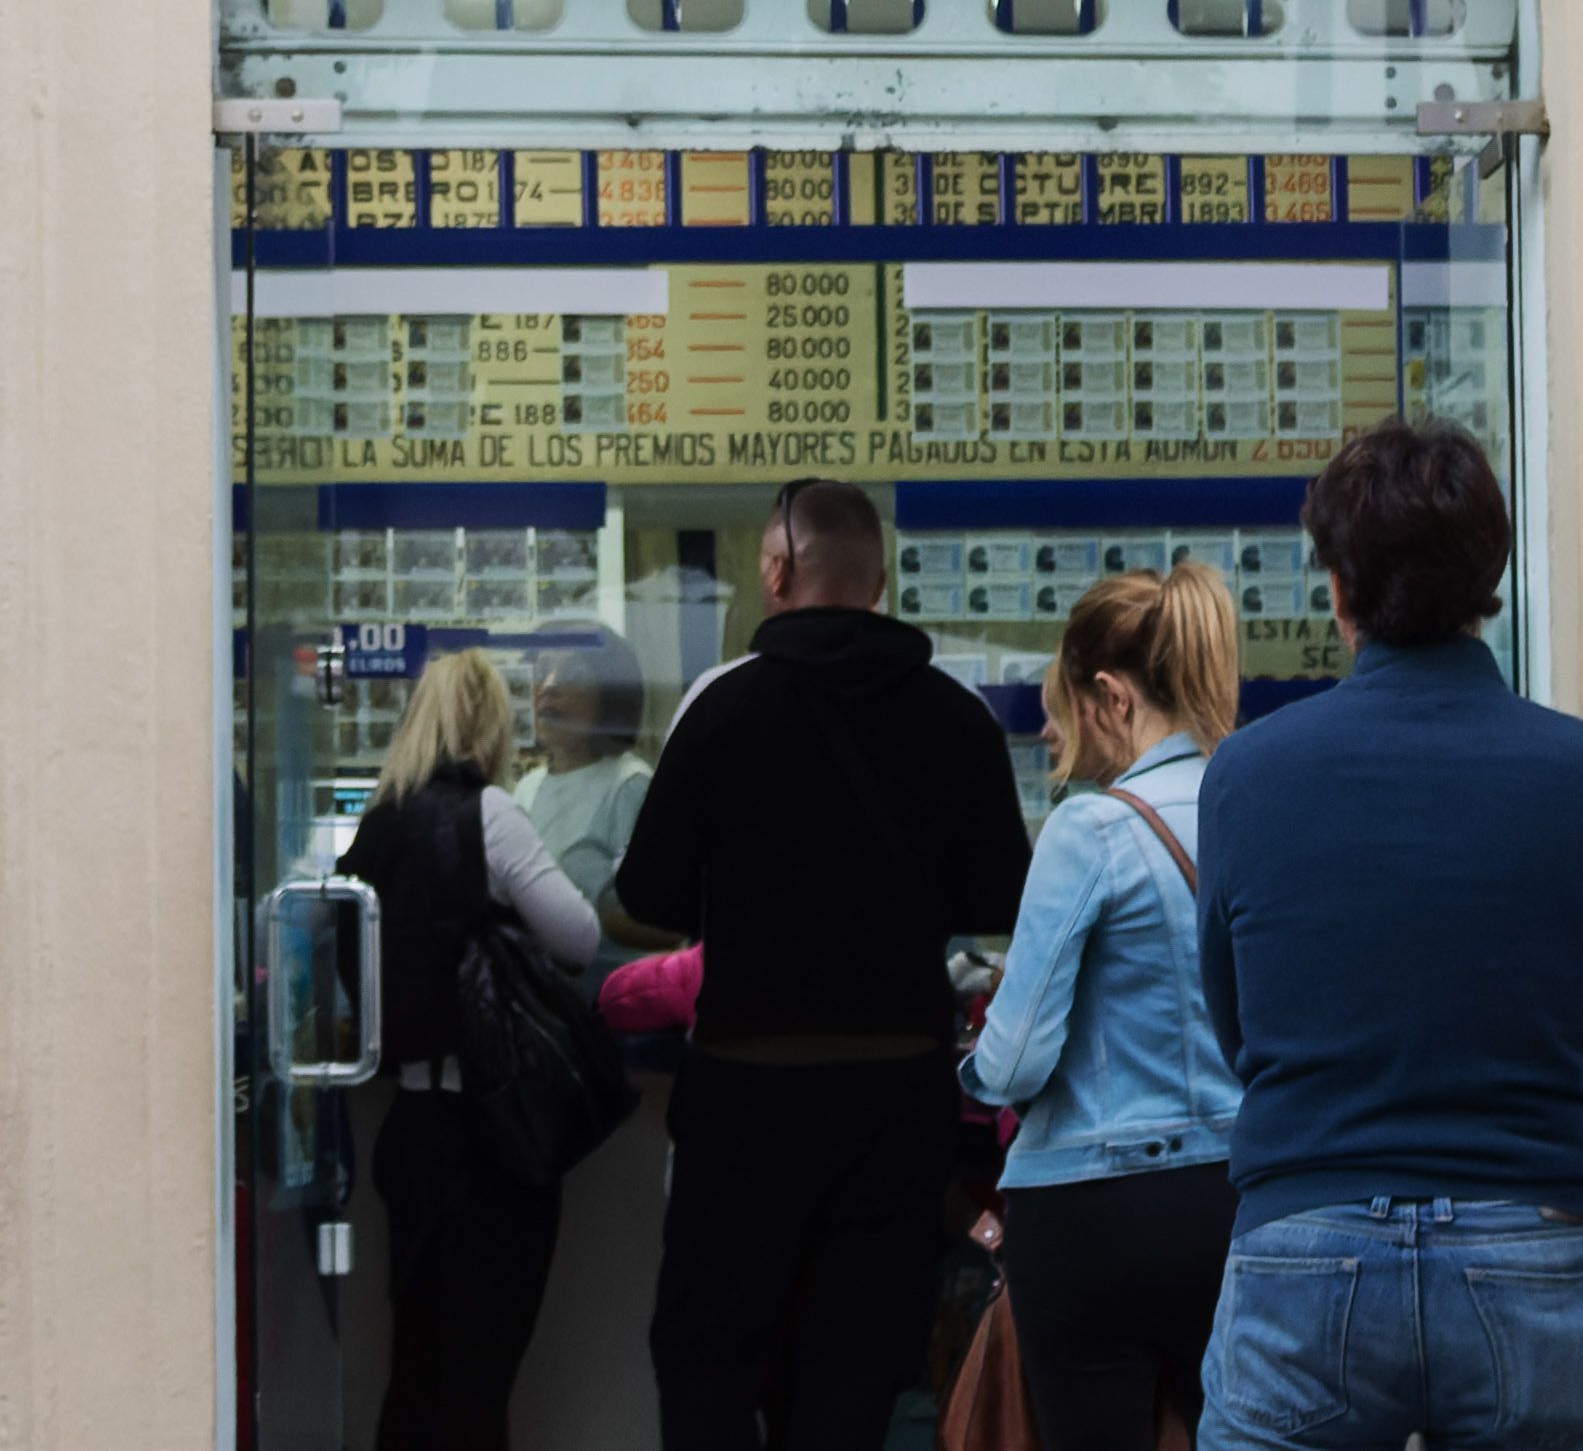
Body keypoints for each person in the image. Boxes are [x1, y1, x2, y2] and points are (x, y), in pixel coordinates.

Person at [1192, 421, 1583, 1451]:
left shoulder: (1246, 776)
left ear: (1339, 589)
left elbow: (1238, 1029)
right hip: (1529, 1236)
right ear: (1490, 580)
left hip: (1305, 1234)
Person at [613, 478, 1034, 1451]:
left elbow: (650, 897)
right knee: (853, 1373)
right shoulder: (956, 717)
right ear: (879, 583)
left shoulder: (723, 707)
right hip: (896, 1099)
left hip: (747, 1092)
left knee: (710, 1358)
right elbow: (1000, 901)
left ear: (775, 572)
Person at [959, 562, 1248, 1451]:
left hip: (1091, 1216)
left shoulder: (1090, 830)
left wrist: (972, 1063)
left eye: (1065, 706)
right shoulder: (1257, 806)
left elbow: (1016, 1064)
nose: (1052, 730)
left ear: (1113, 698)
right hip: (1238, 1198)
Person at [334, 646, 602, 1451]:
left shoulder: (379, 822)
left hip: (410, 1130)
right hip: (490, 1138)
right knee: (479, 1378)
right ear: (490, 725)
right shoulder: (490, 814)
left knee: (417, 1369)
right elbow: (580, 938)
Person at [517, 619, 653, 977]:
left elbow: (660, 923)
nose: (549, 687)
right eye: (541, 671)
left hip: (609, 997)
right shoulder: (528, 787)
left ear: (609, 695)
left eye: (573, 674)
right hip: (539, 993)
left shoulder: (628, 785)